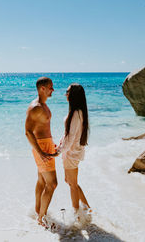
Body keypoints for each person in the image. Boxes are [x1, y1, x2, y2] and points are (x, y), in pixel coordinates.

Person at [25, 77, 59, 227]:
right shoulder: (35, 107)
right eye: (51, 87)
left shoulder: (44, 105)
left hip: (47, 145)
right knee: (52, 184)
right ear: (42, 89)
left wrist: (52, 144)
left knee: (42, 181)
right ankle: (42, 219)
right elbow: (27, 132)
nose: (53, 90)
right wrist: (40, 152)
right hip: (41, 148)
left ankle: (38, 211)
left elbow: (43, 129)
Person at [57, 83, 90, 218]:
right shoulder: (78, 112)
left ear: (73, 95)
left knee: (72, 184)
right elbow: (69, 135)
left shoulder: (76, 113)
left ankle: (77, 215)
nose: (66, 94)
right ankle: (87, 208)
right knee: (70, 182)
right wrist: (60, 145)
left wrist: (58, 151)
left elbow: (70, 138)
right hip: (72, 151)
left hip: (71, 153)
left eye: (67, 91)